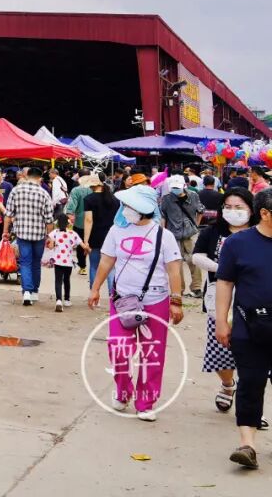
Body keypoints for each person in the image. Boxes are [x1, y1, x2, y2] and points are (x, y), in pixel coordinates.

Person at [88, 184, 184, 422]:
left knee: (152, 354)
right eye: (125, 205)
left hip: (156, 301)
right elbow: (106, 261)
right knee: (118, 348)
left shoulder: (164, 236)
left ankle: (146, 402)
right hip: (123, 301)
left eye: (130, 205)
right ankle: (123, 391)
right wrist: (95, 288)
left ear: (145, 209)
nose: (125, 209)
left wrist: (176, 301)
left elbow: (174, 270)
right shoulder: (116, 231)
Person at [215, 188, 272, 469]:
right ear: (265, 213)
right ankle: (247, 445)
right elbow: (225, 282)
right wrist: (221, 321)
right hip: (249, 327)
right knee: (250, 382)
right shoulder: (237, 244)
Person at [193, 189, 258, 417]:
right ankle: (228, 384)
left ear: (251, 209)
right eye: (228, 207)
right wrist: (222, 268)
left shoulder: (260, 232)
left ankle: (252, 405)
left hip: (254, 301)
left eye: (239, 207)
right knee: (220, 349)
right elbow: (197, 255)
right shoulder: (213, 231)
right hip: (219, 298)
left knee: (254, 355)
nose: (233, 211)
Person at [3, 166, 55, 306]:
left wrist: (5, 231)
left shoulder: (16, 191)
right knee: (36, 263)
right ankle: (34, 292)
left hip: (22, 233)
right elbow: (49, 220)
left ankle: (26, 291)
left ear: (26, 176)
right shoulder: (44, 193)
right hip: (39, 235)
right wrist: (49, 236)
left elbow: (8, 214)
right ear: (40, 178)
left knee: (25, 262)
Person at [160, 174, 203, 298]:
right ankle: (179, 288)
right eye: (173, 187)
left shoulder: (193, 196)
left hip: (190, 234)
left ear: (184, 186)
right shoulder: (166, 199)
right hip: (173, 234)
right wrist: (163, 232)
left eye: (177, 187)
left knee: (194, 260)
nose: (175, 190)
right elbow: (163, 216)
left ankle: (196, 288)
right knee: (176, 263)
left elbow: (200, 211)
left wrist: (196, 225)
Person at [82, 174, 119, 289]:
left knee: (94, 266)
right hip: (111, 237)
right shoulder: (114, 199)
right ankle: (112, 294)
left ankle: (94, 292)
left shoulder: (89, 199)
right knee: (111, 268)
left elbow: (88, 220)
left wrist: (86, 241)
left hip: (95, 237)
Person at [45, 214, 81, 312]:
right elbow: (79, 244)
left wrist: (51, 245)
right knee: (67, 280)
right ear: (67, 224)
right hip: (68, 262)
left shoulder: (55, 233)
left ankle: (58, 300)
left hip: (58, 261)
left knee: (58, 280)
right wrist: (87, 248)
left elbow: (50, 246)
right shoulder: (72, 233)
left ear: (57, 224)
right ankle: (67, 299)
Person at [64, 170, 94, 274]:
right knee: (95, 245)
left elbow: (71, 206)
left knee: (80, 245)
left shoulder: (76, 190)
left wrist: (70, 215)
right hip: (95, 222)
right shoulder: (94, 189)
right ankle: (95, 267)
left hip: (80, 222)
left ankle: (83, 267)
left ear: (79, 177)